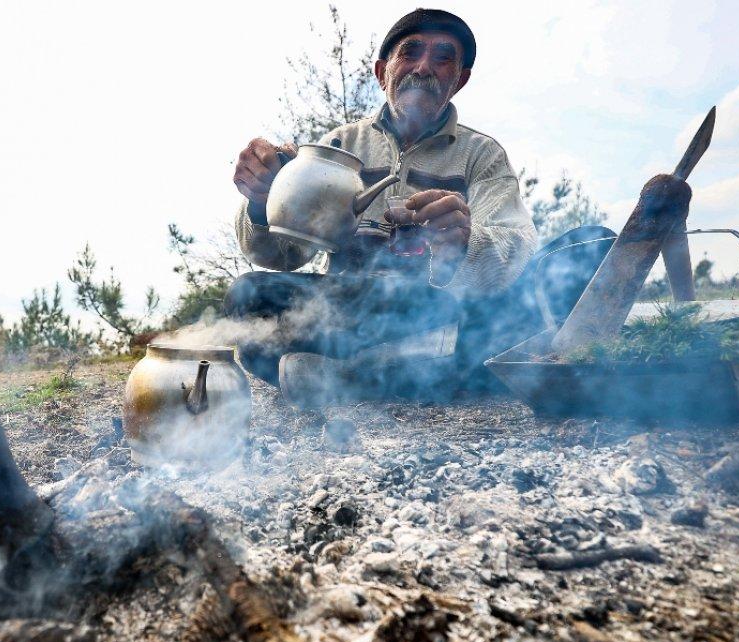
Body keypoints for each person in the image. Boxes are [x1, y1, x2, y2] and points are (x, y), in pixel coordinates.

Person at [226, 8, 613, 407]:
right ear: (382, 72)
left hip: (447, 309)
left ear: (458, 80)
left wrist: (466, 244)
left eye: (443, 57)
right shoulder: (341, 146)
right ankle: (433, 373)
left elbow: (515, 247)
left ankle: (351, 376)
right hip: (352, 311)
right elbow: (284, 254)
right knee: (248, 295)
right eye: (410, 53)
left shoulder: (481, 154)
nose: (424, 67)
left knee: (590, 246)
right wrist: (262, 200)